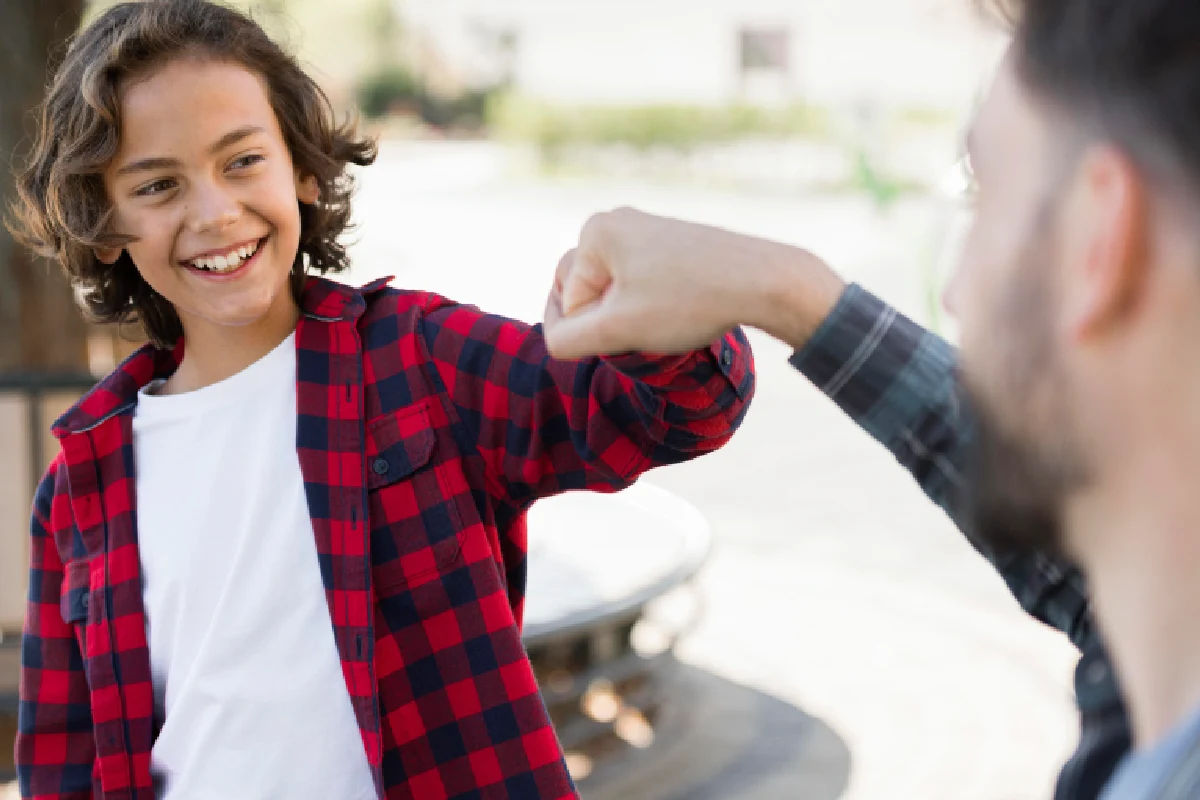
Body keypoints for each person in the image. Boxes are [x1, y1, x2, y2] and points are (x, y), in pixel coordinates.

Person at [7, 1, 755, 798]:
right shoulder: (79, 488)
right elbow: (63, 755)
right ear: (105, 224)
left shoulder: (418, 359)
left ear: (300, 166)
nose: (214, 211)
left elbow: (675, 413)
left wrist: (657, 315)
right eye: (158, 185)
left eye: (241, 161)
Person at [545, 0, 1200, 796]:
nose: (954, 295)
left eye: (982, 196)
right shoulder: (1158, 647)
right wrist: (790, 295)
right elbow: (1091, 570)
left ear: (1099, 238)